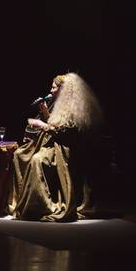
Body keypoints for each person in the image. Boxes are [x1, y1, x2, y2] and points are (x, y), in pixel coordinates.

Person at [8, 72, 105, 222]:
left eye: (54, 87)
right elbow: (54, 124)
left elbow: (64, 132)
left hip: (65, 148)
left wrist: (41, 125)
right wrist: (45, 111)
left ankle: (41, 206)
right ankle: (21, 201)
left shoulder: (75, 108)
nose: (51, 90)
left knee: (37, 160)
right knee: (20, 154)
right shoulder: (58, 103)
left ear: (63, 90)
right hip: (54, 143)